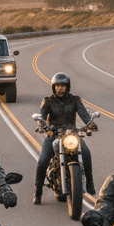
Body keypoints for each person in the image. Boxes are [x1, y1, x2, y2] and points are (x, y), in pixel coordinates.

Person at [33, 72, 96, 203]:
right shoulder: (48, 100)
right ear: (53, 87)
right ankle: (37, 192)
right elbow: (42, 117)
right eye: (57, 86)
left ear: (67, 87)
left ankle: (89, 184)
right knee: (43, 160)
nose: (60, 88)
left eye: (63, 86)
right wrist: (42, 125)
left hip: (71, 134)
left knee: (86, 152)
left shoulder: (75, 100)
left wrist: (90, 123)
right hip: (53, 133)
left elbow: (84, 115)